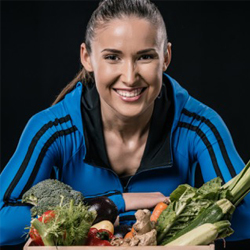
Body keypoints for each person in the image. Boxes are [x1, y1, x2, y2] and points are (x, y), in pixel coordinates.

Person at [0, 0, 249, 246]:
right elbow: (1, 221)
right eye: (112, 57)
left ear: (165, 58)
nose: (130, 77)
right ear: (87, 58)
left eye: (145, 57)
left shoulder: (199, 125)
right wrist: (113, 203)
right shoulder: (52, 129)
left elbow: (247, 216)